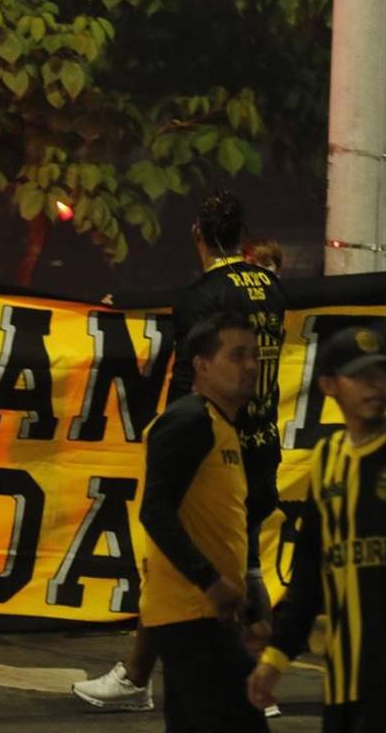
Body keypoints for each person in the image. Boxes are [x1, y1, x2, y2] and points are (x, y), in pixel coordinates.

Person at [73, 189, 285, 713]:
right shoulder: (272, 286)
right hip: (263, 439)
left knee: (185, 561)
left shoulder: (201, 295)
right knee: (244, 559)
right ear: (240, 232)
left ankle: (245, 680)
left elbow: (193, 378)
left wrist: (169, 436)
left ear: (198, 233)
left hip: (214, 444)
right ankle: (142, 675)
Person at [247, 325, 386, 732]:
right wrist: (275, 659)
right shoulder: (327, 459)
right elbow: (310, 573)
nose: (375, 385)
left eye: (380, 374)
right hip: (344, 682)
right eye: (360, 376)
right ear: (329, 385)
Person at [137, 312, 268, 732]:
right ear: (203, 364)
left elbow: (214, 524)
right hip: (191, 615)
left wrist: (244, 607)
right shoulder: (189, 421)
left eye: (254, 355)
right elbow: (154, 510)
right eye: (236, 355)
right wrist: (209, 580)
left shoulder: (221, 426)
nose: (250, 365)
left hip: (205, 616)